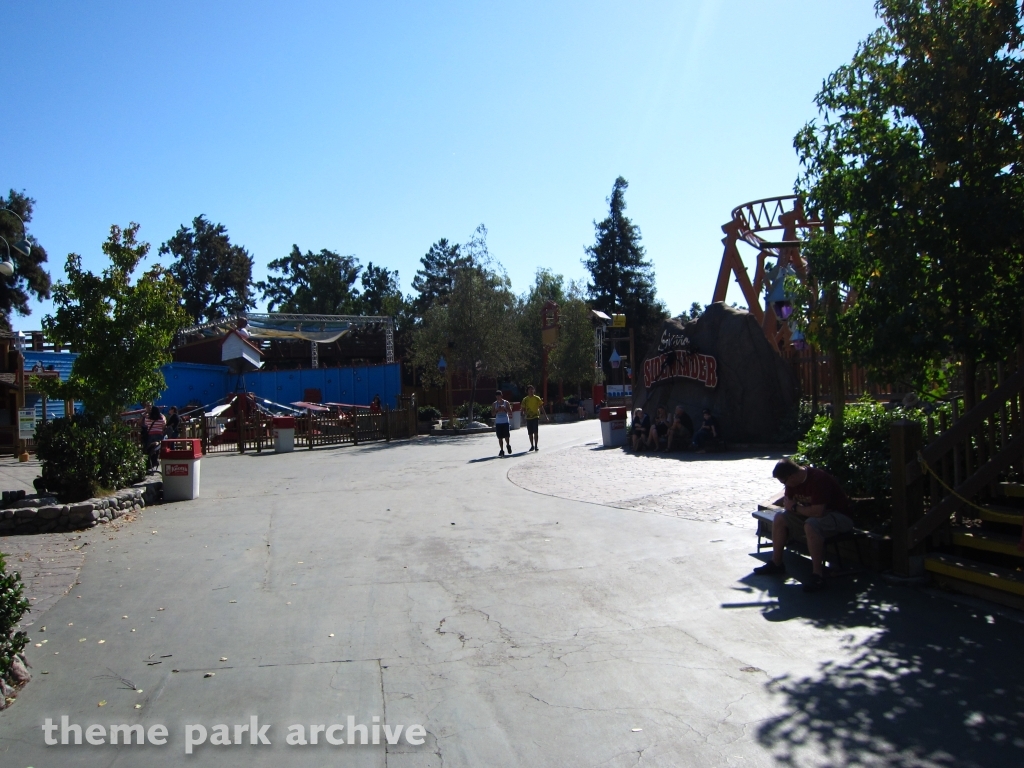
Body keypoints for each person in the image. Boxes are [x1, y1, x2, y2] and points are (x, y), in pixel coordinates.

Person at [753, 458, 854, 593]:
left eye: (783, 482)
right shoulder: (791, 484)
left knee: (811, 524)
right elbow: (788, 507)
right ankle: (776, 563)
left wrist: (796, 507)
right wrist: (796, 509)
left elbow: (817, 512)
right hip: (814, 515)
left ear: (792, 476)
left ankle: (818, 575)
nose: (784, 485)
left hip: (839, 517)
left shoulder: (818, 479)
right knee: (780, 518)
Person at [521, 385, 547, 452]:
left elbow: (541, 407)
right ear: (527, 391)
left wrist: (545, 416)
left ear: (534, 390)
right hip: (528, 417)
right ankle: (532, 445)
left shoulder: (537, 398)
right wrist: (522, 418)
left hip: (535, 417)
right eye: (529, 389)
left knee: (536, 432)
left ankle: (536, 445)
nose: (531, 391)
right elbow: (522, 409)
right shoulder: (525, 400)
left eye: (532, 389)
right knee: (530, 433)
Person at [142, 405, 167, 471]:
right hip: (159, 436)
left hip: (150, 436)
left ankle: (149, 465)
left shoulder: (148, 419)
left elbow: (145, 424)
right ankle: (155, 462)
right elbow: (164, 425)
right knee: (156, 449)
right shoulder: (161, 419)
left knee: (149, 449)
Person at [493, 389, 513, 457]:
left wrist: (505, 408)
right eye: (497, 396)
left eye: (499, 395)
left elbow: (510, 411)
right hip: (498, 422)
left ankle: (508, 445)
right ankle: (501, 450)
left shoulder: (506, 402)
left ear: (501, 396)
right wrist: (496, 410)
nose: (498, 397)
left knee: (506, 435)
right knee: (500, 437)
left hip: (505, 421)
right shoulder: (494, 404)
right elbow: (492, 414)